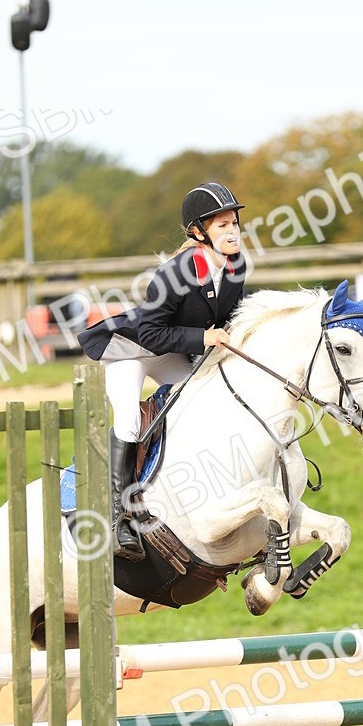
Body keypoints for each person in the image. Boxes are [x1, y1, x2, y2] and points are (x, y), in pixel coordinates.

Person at [78, 182, 246, 560]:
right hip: (132, 350)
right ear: (199, 232)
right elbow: (151, 331)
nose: (233, 231)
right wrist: (204, 337)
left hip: (170, 348)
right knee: (129, 421)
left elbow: (232, 312)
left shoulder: (235, 266)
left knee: (200, 399)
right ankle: (119, 515)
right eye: (222, 225)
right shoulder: (176, 273)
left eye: (234, 222)